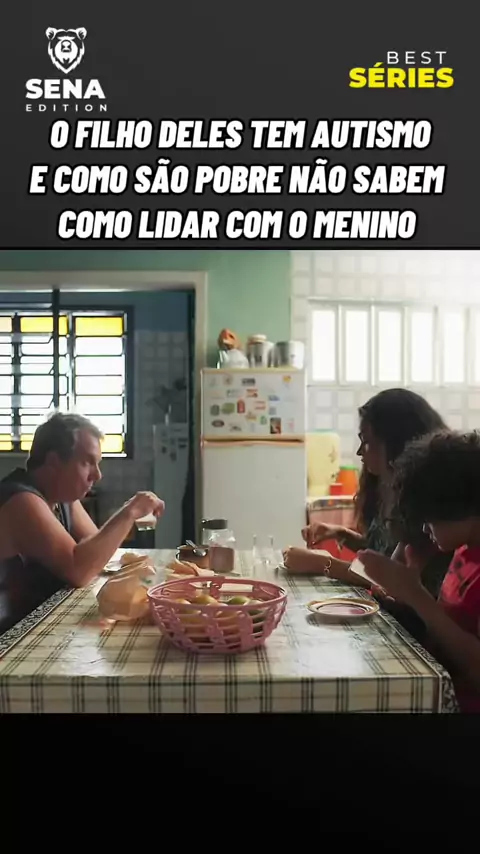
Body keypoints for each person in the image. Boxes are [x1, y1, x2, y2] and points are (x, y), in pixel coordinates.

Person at [282, 389, 452, 636]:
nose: (360, 451)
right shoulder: (385, 486)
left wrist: (324, 564)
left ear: (397, 443)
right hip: (390, 614)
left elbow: (392, 578)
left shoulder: (423, 499)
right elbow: (382, 553)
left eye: (368, 442)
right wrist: (341, 534)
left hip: (416, 629)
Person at [0, 412, 165, 634]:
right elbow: (79, 570)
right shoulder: (21, 500)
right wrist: (129, 512)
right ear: (54, 462)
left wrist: (127, 513)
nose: (97, 475)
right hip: (12, 636)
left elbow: (97, 553)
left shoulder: (61, 497)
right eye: (87, 462)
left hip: (45, 622)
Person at [357, 430, 480, 713]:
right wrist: (404, 594)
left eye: (429, 518)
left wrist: (415, 595)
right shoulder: (464, 548)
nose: (425, 528)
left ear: (457, 506)